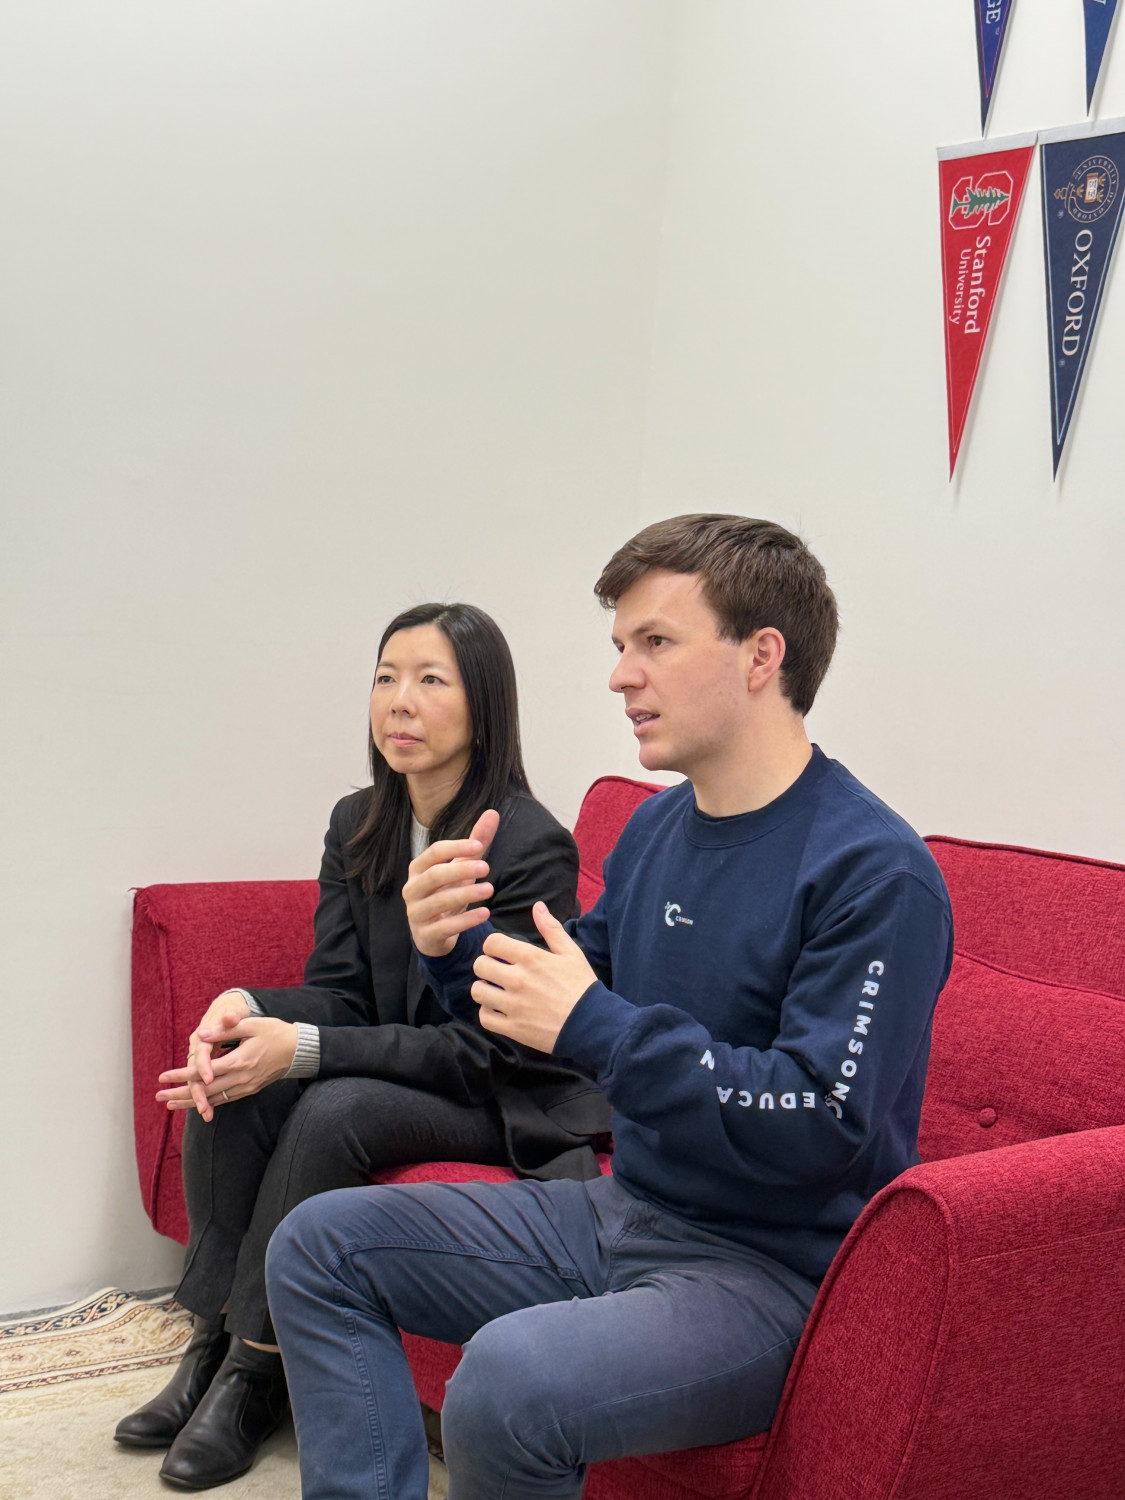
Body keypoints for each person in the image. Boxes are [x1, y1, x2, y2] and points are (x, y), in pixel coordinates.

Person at [266, 516, 955, 1500]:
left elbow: (821, 1119)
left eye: (656, 642)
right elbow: (557, 997)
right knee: (317, 1244)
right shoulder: (655, 829)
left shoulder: (875, 872)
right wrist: (452, 947)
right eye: (621, 645)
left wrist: (598, 1025)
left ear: (762, 656)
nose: (620, 676)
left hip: (769, 1274)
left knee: (508, 1382)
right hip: (621, 1210)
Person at [114, 601, 609, 1491]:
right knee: (241, 1069)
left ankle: (255, 1372)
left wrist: (303, 1048)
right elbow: (342, 991)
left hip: (503, 1094)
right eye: (386, 678)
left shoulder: (528, 843)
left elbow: (481, 1050)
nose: (399, 702)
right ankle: (210, 1339)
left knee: (332, 1105)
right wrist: (248, 1007)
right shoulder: (358, 822)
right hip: (421, 1070)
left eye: (430, 680)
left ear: (484, 708)